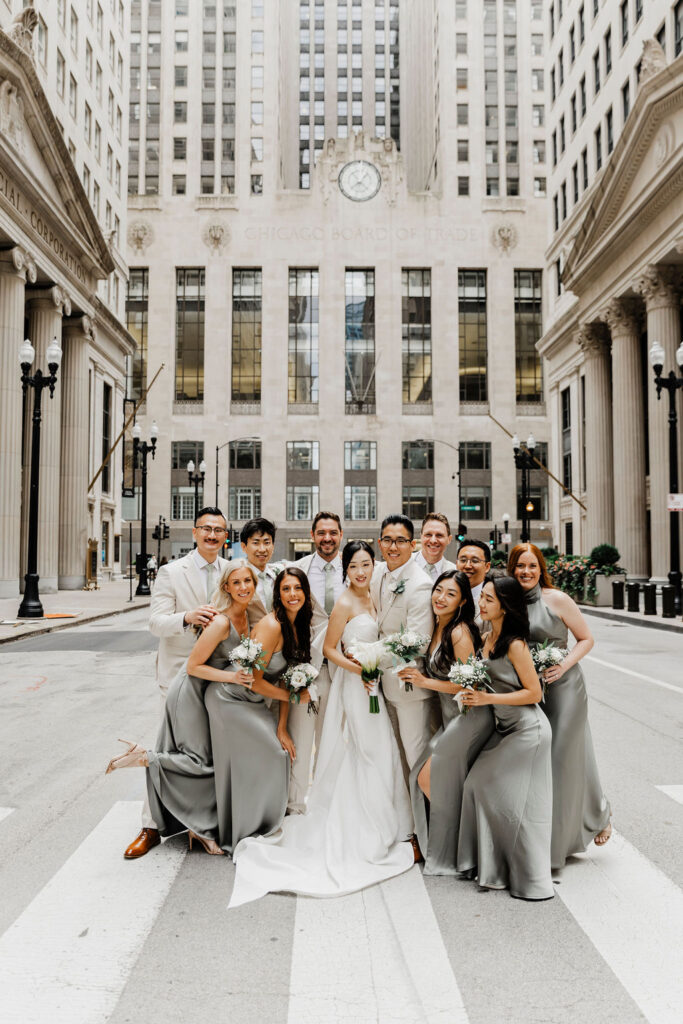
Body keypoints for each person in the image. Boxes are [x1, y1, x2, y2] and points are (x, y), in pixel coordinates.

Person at [229, 541, 414, 907]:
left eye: (366, 564)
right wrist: (362, 669)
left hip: (372, 681)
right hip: (356, 682)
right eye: (354, 566)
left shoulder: (376, 594)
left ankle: (390, 820)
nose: (361, 572)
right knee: (361, 745)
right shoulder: (345, 602)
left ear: (372, 566)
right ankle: (361, 824)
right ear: (345, 569)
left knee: (379, 746)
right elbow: (330, 649)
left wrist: (376, 664)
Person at [105, 561, 304, 855]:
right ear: (226, 587)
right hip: (193, 693)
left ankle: (200, 830)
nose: (243, 588)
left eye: (247, 581)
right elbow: (193, 666)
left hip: (215, 692)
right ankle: (145, 758)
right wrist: (233, 677)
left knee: (213, 763)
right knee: (199, 762)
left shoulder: (248, 616)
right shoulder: (222, 621)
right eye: (236, 583)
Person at [118, 506, 231, 860]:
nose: (212, 535)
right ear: (195, 532)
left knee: (211, 753)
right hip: (179, 674)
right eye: (206, 529)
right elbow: (155, 622)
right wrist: (187, 616)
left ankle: (203, 823)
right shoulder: (171, 572)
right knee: (168, 748)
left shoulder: (232, 571)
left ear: (226, 537)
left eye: (219, 530)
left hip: (217, 676)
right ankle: (151, 824)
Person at [509, 543, 611, 866]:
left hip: (565, 687)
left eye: (532, 566)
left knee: (561, 756)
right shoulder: (508, 602)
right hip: (529, 689)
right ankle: (597, 813)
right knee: (551, 757)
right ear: (512, 569)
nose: (526, 572)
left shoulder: (558, 600)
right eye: (520, 566)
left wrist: (563, 665)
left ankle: (559, 840)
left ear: (541, 569)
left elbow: (586, 638)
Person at [456, 575, 554, 901]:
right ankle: (490, 866)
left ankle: (527, 877)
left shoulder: (515, 644)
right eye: (481, 597)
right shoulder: (486, 638)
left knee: (506, 799)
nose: (480, 604)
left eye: (488, 600)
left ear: (504, 607)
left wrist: (487, 700)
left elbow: (534, 692)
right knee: (475, 786)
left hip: (528, 731)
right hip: (504, 729)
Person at [399, 571, 494, 874]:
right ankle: (452, 841)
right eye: (438, 590)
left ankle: (465, 842)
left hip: (467, 716)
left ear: (463, 600)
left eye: (450, 594)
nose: (440, 597)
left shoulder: (459, 632)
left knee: (426, 777)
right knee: (425, 776)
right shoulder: (437, 626)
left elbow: (470, 686)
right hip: (448, 717)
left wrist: (425, 681)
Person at [285, 511, 345, 812]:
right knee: (300, 740)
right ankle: (295, 805)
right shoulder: (297, 570)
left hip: (344, 672)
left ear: (341, 535)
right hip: (306, 671)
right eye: (321, 533)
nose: (327, 538)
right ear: (312, 535)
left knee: (332, 742)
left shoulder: (358, 569)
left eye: (333, 532)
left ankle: (326, 806)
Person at [371, 514, 434, 773]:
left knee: (416, 757)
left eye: (400, 541)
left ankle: (425, 814)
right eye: (387, 540)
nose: (393, 547)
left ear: (413, 544)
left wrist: (369, 655)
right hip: (382, 684)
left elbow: (418, 643)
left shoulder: (421, 585)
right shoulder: (376, 574)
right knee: (395, 759)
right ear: (379, 542)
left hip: (409, 687)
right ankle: (406, 813)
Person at [240, 517, 279, 611]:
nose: (262, 549)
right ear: (244, 547)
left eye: (267, 543)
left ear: (273, 546)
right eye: (256, 543)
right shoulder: (236, 578)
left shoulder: (278, 574)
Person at [414, 513, 457, 582]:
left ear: (449, 539)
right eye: (428, 535)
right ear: (421, 537)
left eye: (439, 535)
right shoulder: (404, 564)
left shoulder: (455, 573)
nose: (433, 540)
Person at [455, 538, 491, 611]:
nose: (468, 566)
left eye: (475, 561)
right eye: (463, 560)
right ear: (456, 564)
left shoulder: (495, 599)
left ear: (487, 567)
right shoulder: (447, 595)